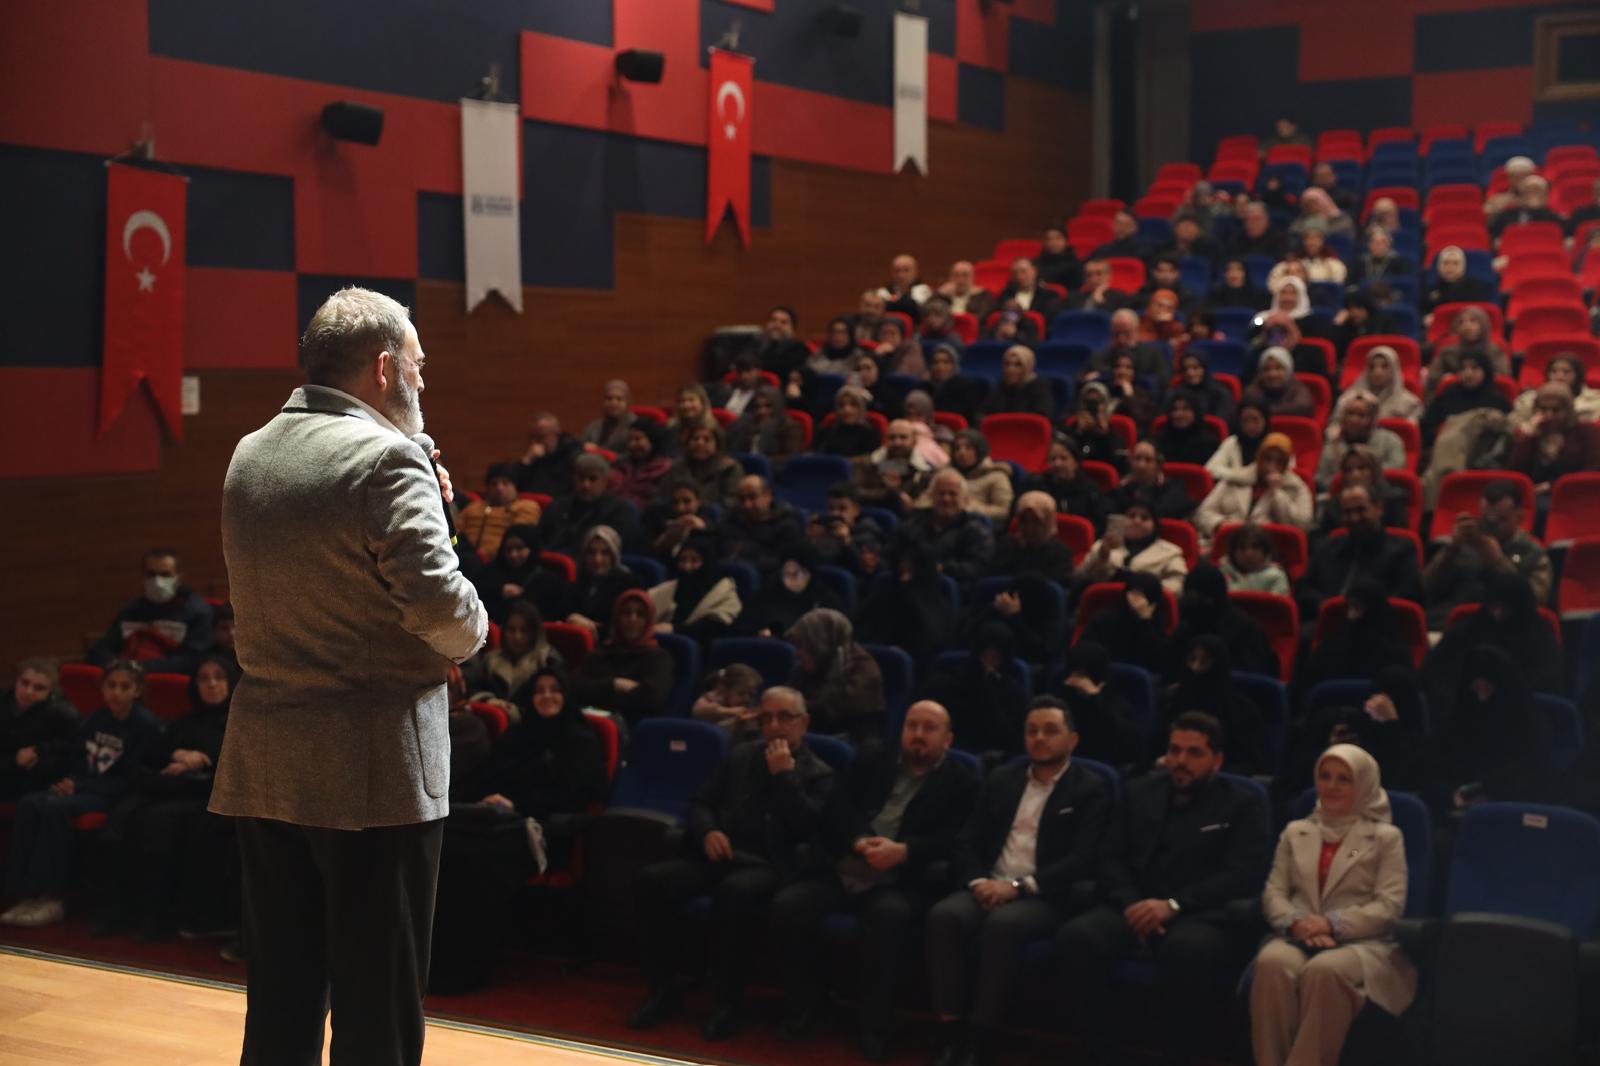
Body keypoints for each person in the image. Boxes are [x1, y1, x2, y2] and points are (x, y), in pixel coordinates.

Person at [210, 288, 487, 1064]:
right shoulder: (389, 457)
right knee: (378, 1012)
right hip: (373, 770)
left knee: (281, 1001)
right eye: (420, 368)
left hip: (267, 763)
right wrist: (478, 623)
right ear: (386, 367)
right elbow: (444, 614)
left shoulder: (250, 451)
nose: (424, 386)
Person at [769, 701, 979, 1060]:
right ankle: (808, 1005)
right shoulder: (872, 760)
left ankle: (875, 1025)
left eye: (929, 728)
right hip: (844, 866)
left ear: (948, 739)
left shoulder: (963, 779)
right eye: (912, 725)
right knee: (788, 906)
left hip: (899, 879)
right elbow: (836, 808)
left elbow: (959, 837)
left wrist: (906, 850)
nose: (918, 734)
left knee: (888, 918)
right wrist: (857, 839)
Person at [1059, 712, 1271, 1066]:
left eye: (1193, 753)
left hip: (1200, 912)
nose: (1181, 762)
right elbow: (1110, 857)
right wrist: (1132, 904)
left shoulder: (1242, 802)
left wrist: (1173, 905)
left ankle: (1177, 1056)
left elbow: (1242, 873)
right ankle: (1102, 1051)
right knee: (1077, 937)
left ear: (1217, 760)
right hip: (1134, 905)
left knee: (1186, 950)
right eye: (1174, 751)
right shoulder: (1140, 790)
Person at [629, 687, 834, 1040]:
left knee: (734, 893)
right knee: (653, 881)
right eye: (766, 717)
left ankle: (729, 1004)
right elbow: (700, 802)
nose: (774, 725)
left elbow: (811, 830)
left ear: (804, 723)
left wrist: (786, 776)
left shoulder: (819, 774)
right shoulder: (740, 755)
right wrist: (708, 831)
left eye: (784, 717)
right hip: (719, 855)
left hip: (772, 866)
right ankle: (663, 991)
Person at [925, 701, 1113, 1066]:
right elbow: (966, 840)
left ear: (1072, 740)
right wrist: (979, 881)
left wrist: (1019, 887)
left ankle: (981, 1037)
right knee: (943, 916)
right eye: (1032, 730)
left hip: (1044, 895)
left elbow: (1082, 860)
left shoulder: (1091, 789)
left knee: (1003, 925)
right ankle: (949, 1032)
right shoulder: (1002, 778)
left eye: (1049, 730)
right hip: (987, 885)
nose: (1039, 738)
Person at [430, 666, 607, 992]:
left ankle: (465, 971)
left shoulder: (580, 739)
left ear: (566, 696)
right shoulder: (518, 736)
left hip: (545, 830)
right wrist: (493, 800)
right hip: (498, 821)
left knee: (477, 863)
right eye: (539, 691)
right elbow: (486, 778)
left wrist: (519, 806)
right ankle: (435, 964)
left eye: (555, 690)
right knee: (451, 849)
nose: (547, 697)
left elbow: (583, 797)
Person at [1251, 745, 1416, 1066]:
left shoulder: (1386, 837)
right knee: (1272, 963)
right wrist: (1297, 923)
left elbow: (1389, 906)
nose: (1330, 786)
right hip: (1296, 934)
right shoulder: (1295, 832)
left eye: (1343, 779)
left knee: (1324, 971)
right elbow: (1274, 893)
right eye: (1324, 776)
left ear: (1364, 785)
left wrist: (1331, 923)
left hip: (1364, 944)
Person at [2, 660, 164, 929]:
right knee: (31, 802)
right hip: (83, 785)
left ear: (137, 691)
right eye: (111, 685)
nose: (116, 692)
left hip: (114, 795)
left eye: (124, 686)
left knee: (55, 808)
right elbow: (78, 758)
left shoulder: (146, 726)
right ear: (102, 688)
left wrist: (80, 787)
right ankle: (22, 892)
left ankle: (51, 894)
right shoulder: (97, 718)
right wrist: (70, 781)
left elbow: (134, 777)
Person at [94, 654, 236, 941]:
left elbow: (235, 769)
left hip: (208, 796)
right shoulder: (185, 720)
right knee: (123, 815)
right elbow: (154, 754)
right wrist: (178, 755)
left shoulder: (238, 723)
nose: (211, 685)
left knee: (157, 821)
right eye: (203, 678)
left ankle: (156, 916)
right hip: (170, 790)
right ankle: (119, 909)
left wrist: (202, 761)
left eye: (218, 678)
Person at [1427, 646, 1552, 815]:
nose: (1482, 697)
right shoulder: (1459, 716)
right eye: (1476, 688)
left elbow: (1531, 775)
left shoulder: (1527, 723)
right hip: (1454, 811)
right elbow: (1434, 765)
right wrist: (1452, 796)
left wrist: (1489, 791)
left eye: (1487, 688)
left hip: (1509, 811)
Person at [1422, 478, 1550, 626]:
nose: (1493, 526)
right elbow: (1425, 588)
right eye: (1487, 519)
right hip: (1451, 623)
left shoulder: (1533, 553)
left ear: (1520, 517)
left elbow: (1537, 601)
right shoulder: (1467, 542)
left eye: (1501, 520)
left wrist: (1498, 561)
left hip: (1505, 627)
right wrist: (1452, 549)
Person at [1424, 571, 1565, 702]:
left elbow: (1547, 691)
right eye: (1493, 606)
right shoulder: (1462, 636)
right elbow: (1433, 679)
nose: (1497, 614)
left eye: (1506, 609)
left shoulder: (1541, 646)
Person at [1297, 483, 1424, 620]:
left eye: (1361, 510)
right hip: (1327, 625)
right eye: (1347, 512)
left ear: (1378, 508)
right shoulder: (1326, 548)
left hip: (1377, 630)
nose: (1354, 518)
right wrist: (1330, 607)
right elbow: (1304, 589)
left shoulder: (1401, 552)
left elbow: (1408, 597)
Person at [89, 548, 215, 676]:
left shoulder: (197, 611)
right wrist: (116, 665)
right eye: (151, 574)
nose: (157, 581)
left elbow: (192, 659)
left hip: (168, 682)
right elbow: (102, 647)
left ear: (179, 577)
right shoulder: (132, 608)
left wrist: (136, 668)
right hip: (126, 681)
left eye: (165, 575)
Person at [1160, 635, 1270, 775]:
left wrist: (1205, 768)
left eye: (1204, 663)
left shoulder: (1241, 711)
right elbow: (1152, 751)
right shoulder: (1174, 702)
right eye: (1192, 660)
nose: (1195, 668)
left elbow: (1254, 765)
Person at [571, 590, 672, 724]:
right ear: (617, 617)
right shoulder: (602, 652)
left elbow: (651, 700)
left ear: (649, 621)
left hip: (631, 728)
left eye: (640, 615)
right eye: (626, 613)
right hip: (589, 722)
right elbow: (574, 687)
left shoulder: (659, 658)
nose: (632, 619)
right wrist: (614, 684)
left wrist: (598, 693)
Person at [1193, 432, 1312, 545]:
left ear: (1286, 465)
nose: (1271, 466)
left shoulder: (1297, 488)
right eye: (1267, 459)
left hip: (1270, 551)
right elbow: (1202, 513)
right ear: (1259, 458)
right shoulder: (1235, 479)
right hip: (1227, 542)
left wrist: (1277, 493)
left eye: (1279, 462)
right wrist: (1220, 524)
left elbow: (1301, 527)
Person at [787, 608, 885, 744]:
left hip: (854, 742)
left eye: (802, 647)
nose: (797, 653)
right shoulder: (804, 669)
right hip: (809, 738)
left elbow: (831, 710)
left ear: (819, 644)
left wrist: (791, 710)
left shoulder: (863, 670)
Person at [1169, 563, 1278, 679]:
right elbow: (1168, 662)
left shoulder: (1245, 629)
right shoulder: (1188, 622)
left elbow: (1252, 674)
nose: (1195, 604)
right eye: (1190, 598)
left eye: (1203, 598)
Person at [1303, 578, 1414, 687]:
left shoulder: (1397, 656)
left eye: (1357, 608)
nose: (1350, 616)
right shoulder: (1329, 651)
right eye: (1349, 607)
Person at [895, 470, 996, 587]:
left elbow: (978, 567)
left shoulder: (977, 530)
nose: (946, 499)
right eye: (941, 493)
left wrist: (942, 568)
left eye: (952, 494)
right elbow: (893, 550)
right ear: (932, 497)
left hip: (949, 591)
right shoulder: (914, 523)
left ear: (965, 499)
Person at [0, 659, 79, 802]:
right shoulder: (3, 704)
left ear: (50, 691)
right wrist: (14, 761)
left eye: (39, 688)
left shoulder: (62, 714)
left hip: (39, 780)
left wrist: (39, 752)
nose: (29, 692)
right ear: (16, 682)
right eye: (24, 683)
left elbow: (71, 750)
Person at [461, 601, 563, 709]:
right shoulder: (491, 659)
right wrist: (489, 700)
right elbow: (477, 689)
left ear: (534, 633)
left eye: (524, 631)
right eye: (511, 630)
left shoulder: (548, 660)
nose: (517, 636)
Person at [1076, 499, 1189, 595]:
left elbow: (1178, 585)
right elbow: (1081, 576)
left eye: (1144, 518)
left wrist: (1145, 587)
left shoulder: (1170, 552)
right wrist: (1102, 555)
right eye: (1131, 516)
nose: (1137, 521)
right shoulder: (1103, 545)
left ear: (1155, 525)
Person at [539, 452, 640, 557]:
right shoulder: (557, 506)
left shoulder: (619, 511)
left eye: (593, 479)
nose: (586, 485)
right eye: (581, 478)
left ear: (605, 481)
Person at [648, 532, 741, 645]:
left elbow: (714, 627)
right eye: (683, 560)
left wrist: (675, 629)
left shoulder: (724, 592)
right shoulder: (669, 588)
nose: (687, 567)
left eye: (694, 561)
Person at [738, 542, 843, 639]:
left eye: (803, 573)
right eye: (790, 573)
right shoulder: (764, 596)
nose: (797, 579)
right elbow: (744, 629)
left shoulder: (825, 600)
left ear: (811, 574)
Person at [1078, 570, 1172, 675]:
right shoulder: (1105, 619)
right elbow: (1085, 650)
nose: (1134, 599)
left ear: (1153, 601)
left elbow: (1157, 663)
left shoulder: (1156, 626)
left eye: (1141, 595)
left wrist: (1145, 621)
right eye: (1132, 593)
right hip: (1100, 674)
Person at [1509, 382, 1600, 492]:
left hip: (1573, 491)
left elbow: (1593, 468)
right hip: (1533, 491)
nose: (1549, 415)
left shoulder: (1587, 431)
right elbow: (1515, 470)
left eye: (1556, 410)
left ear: (1568, 410)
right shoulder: (1533, 433)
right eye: (1543, 409)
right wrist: (1530, 436)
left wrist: (1552, 486)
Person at [472, 523, 568, 625]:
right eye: (508, 549)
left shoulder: (548, 580)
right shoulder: (491, 572)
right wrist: (499, 591)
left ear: (531, 549)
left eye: (520, 548)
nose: (513, 554)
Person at [563, 525, 645, 642]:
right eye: (592, 553)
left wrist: (592, 626)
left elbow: (630, 625)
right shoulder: (579, 580)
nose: (597, 560)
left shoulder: (630, 583)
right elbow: (563, 611)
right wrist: (571, 618)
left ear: (614, 555)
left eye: (605, 553)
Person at [1420, 349, 1512, 452]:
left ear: (1485, 371)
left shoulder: (1498, 402)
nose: (1468, 373)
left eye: (1474, 368)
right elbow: (1427, 428)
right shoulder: (1448, 397)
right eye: (1463, 368)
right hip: (1449, 453)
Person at [1312, 393, 1407, 490]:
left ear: (1372, 419)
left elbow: (1397, 469)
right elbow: (1320, 478)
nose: (1354, 419)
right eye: (1350, 414)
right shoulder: (1332, 445)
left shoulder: (1391, 441)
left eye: (1361, 415)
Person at [921, 430, 1015, 523]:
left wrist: (969, 508)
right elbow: (923, 500)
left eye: (968, 448)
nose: (961, 452)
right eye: (957, 448)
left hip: (977, 526)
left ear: (979, 451)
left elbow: (1003, 511)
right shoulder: (943, 475)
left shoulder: (997, 476)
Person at [1312, 447, 1408, 538]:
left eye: (1361, 468)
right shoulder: (1334, 504)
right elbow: (1323, 540)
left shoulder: (1392, 499)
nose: (1355, 474)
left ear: (1374, 471)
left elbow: (1399, 539)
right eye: (1348, 470)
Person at [720, 474, 805, 573]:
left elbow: (784, 565)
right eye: (742, 499)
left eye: (752, 497)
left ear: (768, 495)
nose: (747, 505)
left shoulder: (787, 527)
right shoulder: (730, 522)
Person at [457, 463, 543, 560]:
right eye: (494, 483)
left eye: (505, 483)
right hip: (463, 556)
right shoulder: (473, 507)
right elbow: (456, 531)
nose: (499, 488)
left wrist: (482, 555)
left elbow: (517, 540)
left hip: (502, 560)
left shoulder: (526, 507)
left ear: (515, 487)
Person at [1024, 434, 1108, 532]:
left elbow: (1100, 525)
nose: (1057, 464)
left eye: (1063, 458)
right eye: (1052, 459)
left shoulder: (1091, 490)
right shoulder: (1037, 486)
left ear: (1075, 462)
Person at [1425, 307, 1510, 397]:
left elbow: (1503, 380)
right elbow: (1432, 381)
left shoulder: (1494, 351)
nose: (1467, 326)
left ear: (1484, 325)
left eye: (1473, 321)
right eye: (1461, 322)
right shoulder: (1447, 353)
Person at [1330, 346, 1420, 426]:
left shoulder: (1410, 403)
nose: (1377, 372)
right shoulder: (1348, 400)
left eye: (1384, 366)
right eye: (1372, 367)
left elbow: (1410, 438)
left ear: (1394, 370)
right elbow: (1333, 428)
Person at [661, 423, 743, 509]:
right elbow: (663, 496)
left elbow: (731, 503)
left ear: (717, 445)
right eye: (695, 439)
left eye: (707, 440)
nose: (699, 443)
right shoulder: (678, 466)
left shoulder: (730, 468)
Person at [1085, 308, 1171, 385]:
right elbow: (1081, 379)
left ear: (1137, 331)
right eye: (1117, 334)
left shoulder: (1153, 355)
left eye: (1127, 333)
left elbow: (1162, 381)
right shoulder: (1098, 357)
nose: (1121, 339)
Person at [1513, 355, 1600, 429]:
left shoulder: (1596, 401)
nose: (1559, 376)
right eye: (1554, 372)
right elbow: (1516, 428)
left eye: (1566, 372)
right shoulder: (1527, 400)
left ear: (1578, 375)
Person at [727, 384, 805, 463]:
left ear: (777, 406)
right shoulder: (746, 424)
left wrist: (759, 462)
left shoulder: (791, 427)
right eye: (757, 407)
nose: (761, 411)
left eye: (768, 406)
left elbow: (790, 458)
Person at [977, 344, 1054, 420]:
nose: (1010, 369)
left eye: (1018, 364)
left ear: (1028, 366)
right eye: (1007, 364)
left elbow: (1041, 420)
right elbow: (983, 413)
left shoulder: (1039, 387)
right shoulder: (1001, 385)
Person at [515, 411, 584, 496]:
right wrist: (527, 460)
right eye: (533, 437)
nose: (535, 442)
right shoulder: (534, 456)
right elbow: (517, 485)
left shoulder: (572, 452)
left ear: (556, 434)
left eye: (541, 436)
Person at [1420, 245, 1493, 325]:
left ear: (1463, 267)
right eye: (1446, 263)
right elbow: (1423, 313)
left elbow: (1481, 313)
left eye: (1455, 263)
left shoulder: (1475, 287)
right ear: (1439, 267)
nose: (1450, 267)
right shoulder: (1431, 290)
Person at [614, 420, 674, 511]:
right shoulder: (621, 463)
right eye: (630, 440)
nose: (632, 444)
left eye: (638, 439)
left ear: (652, 440)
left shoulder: (665, 468)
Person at [693, 664, 763, 741]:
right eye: (741, 693)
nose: (747, 699)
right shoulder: (711, 699)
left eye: (752, 695)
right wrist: (731, 712)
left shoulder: (750, 709)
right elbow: (697, 711)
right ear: (725, 690)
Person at [1219, 522, 1291, 596]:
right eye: (1242, 548)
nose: (1248, 554)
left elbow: (1278, 606)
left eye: (1255, 548)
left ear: (1265, 551)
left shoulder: (1276, 576)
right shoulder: (1222, 573)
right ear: (1233, 552)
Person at [1242, 346, 1315, 419]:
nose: (1272, 374)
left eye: (1278, 368)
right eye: (1266, 369)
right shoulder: (1253, 389)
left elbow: (1302, 407)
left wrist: (1266, 411)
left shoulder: (1299, 389)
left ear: (1288, 371)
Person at [1206, 399, 1272, 478]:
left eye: (1255, 420)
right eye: (1245, 421)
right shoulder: (1232, 442)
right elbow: (1211, 469)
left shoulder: (1274, 444)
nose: (1251, 426)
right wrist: (1240, 476)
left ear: (1265, 420)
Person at [814, 384, 882, 458]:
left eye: (853, 405)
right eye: (842, 405)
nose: (847, 410)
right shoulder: (828, 432)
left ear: (861, 408)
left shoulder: (870, 435)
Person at [1155, 392, 1222, 466]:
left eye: (1185, 409)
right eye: (1175, 409)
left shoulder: (1209, 444)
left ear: (1195, 412)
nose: (1179, 414)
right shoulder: (1159, 442)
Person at [1488, 174, 1563, 238]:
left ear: (1545, 196)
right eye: (1528, 191)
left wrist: (1537, 210)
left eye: (1537, 191)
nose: (1532, 195)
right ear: (1521, 195)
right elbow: (1494, 233)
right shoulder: (1506, 215)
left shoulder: (1554, 217)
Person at [1173, 349, 1237, 424]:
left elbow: (1221, 425)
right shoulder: (1176, 393)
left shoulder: (1219, 394)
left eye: (1195, 368)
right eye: (1185, 369)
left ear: (1204, 369)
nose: (1190, 373)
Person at [757, 305, 813, 382]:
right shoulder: (755, 345)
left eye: (783, 322)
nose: (777, 325)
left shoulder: (799, 349)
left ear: (792, 329)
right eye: (773, 320)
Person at [579, 379, 636, 453]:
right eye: (609, 399)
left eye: (619, 399)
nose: (613, 403)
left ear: (627, 402)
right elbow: (580, 446)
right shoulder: (594, 426)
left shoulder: (635, 425)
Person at [1347, 226, 1414, 288]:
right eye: (1376, 242)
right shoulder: (1359, 263)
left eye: (1383, 242)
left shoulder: (1401, 262)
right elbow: (1351, 284)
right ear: (1369, 245)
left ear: (1389, 245)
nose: (1379, 246)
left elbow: (1403, 285)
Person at [1065, 257, 1130, 314]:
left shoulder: (1119, 297)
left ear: (1109, 275)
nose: (1093, 279)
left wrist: (1099, 299)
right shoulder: (1073, 298)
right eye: (1088, 275)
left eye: (1099, 274)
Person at [666, 383, 717, 451]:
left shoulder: (713, 429)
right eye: (682, 401)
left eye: (691, 400)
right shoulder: (672, 427)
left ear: (702, 403)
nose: (686, 405)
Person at [1035, 223, 1083, 289]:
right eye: (1048, 239)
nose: (1053, 243)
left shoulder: (1076, 265)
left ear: (1066, 241)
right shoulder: (1036, 265)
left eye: (1057, 238)